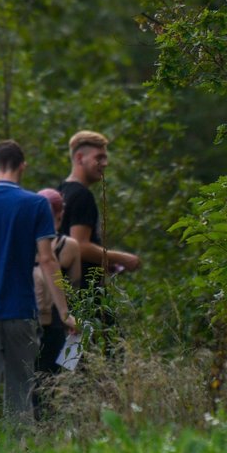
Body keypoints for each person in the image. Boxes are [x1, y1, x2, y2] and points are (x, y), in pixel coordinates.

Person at [0, 140, 76, 443]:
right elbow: (48, 260)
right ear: (23, 166)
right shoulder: (35, 204)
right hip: (21, 309)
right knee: (20, 392)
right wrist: (64, 312)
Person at [57, 131, 140, 351]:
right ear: (79, 158)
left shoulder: (60, 192)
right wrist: (123, 258)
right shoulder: (82, 196)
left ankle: (68, 385)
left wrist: (104, 262)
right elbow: (81, 246)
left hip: (63, 294)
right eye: (99, 158)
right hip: (86, 296)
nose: (105, 163)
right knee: (111, 356)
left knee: (72, 362)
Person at [32, 188, 80, 418]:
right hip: (62, 322)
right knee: (62, 381)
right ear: (60, 214)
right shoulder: (68, 246)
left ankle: (33, 432)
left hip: (28, 320)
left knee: (32, 383)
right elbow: (76, 285)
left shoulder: (23, 244)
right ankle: (59, 429)